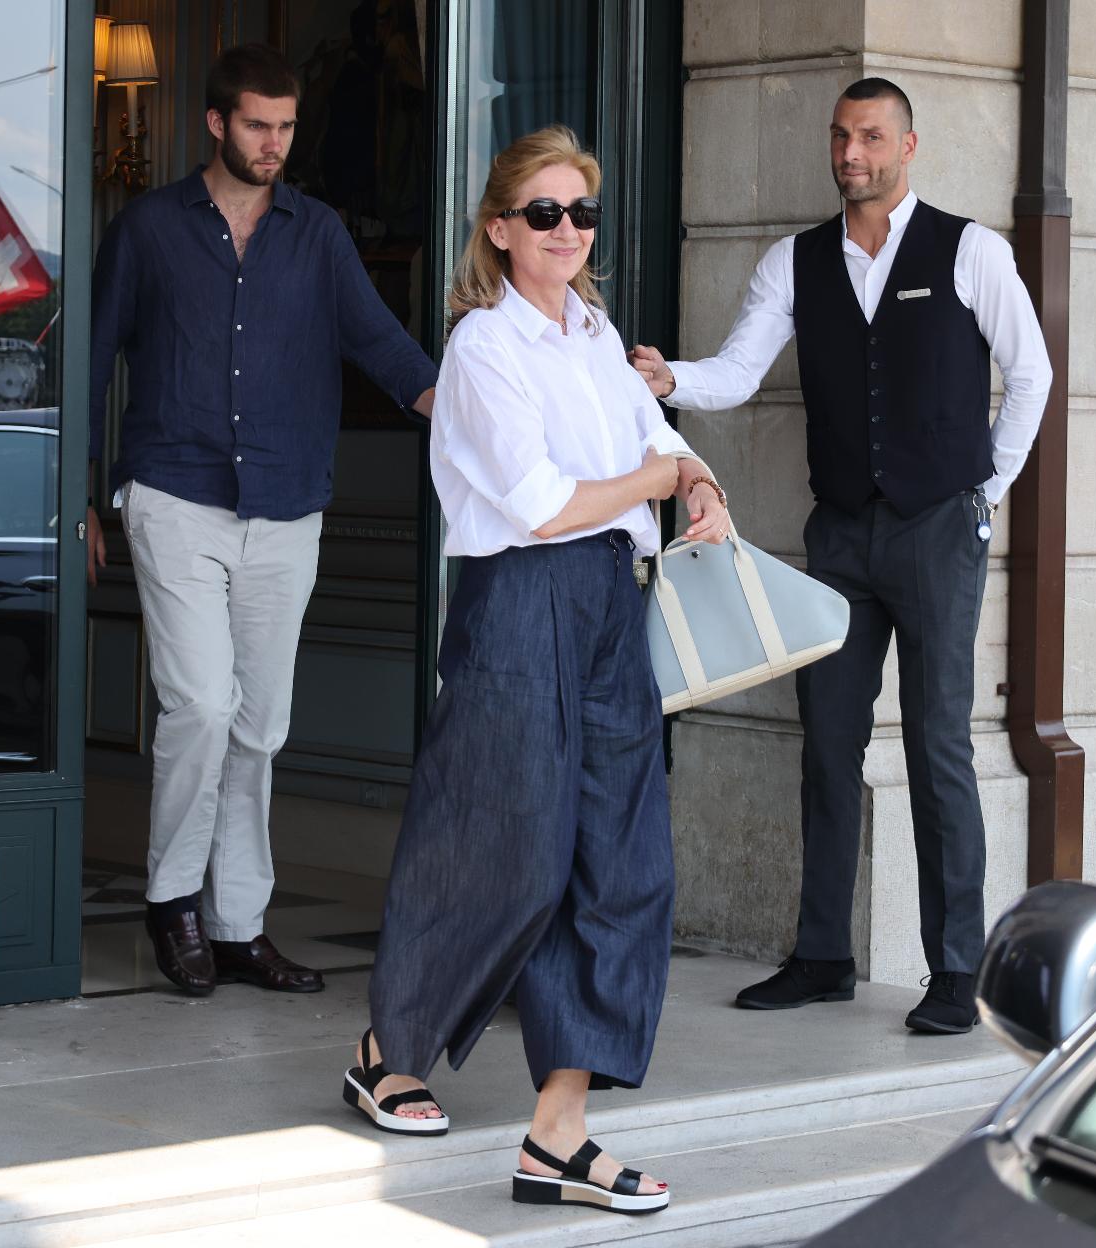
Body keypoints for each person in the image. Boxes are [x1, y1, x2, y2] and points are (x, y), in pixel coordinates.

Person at [339, 125, 730, 1217]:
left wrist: (694, 481)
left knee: (621, 862)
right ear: (502, 229)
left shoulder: (598, 336)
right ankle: (390, 1043)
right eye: (545, 213)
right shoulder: (483, 349)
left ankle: (560, 1135)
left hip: (613, 603)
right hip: (521, 608)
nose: (569, 231)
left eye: (583, 212)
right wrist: (656, 471)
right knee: (500, 846)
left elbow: (657, 445)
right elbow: (543, 503)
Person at [631, 77, 1052, 1034]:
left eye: (869, 136)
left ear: (910, 145)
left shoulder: (969, 249)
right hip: (841, 533)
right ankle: (822, 953)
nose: (850, 152)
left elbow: (1032, 375)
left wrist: (986, 492)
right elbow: (739, 372)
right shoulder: (796, 261)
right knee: (826, 742)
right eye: (839, 136)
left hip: (939, 527)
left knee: (940, 745)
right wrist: (670, 378)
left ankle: (956, 971)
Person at [87, 44, 437, 997]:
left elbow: (384, 347)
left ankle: (239, 925)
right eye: (257, 126)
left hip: (286, 504)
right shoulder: (152, 228)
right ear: (215, 124)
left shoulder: (317, 233)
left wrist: (483, 417)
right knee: (200, 704)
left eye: (285, 128)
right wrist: (78, 491)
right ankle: (172, 903)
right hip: (172, 493)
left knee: (261, 726)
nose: (274, 144)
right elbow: (92, 352)